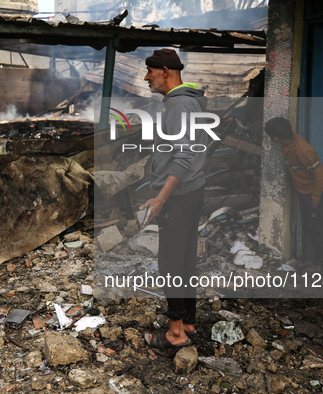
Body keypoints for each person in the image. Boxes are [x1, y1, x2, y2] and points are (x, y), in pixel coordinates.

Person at [140, 49, 208, 349]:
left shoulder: (179, 106)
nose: (146, 77)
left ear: (164, 72)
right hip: (193, 191)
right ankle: (188, 321)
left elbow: (183, 157)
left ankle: (176, 333)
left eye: (149, 72)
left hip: (178, 195)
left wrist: (160, 199)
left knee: (170, 262)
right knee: (185, 257)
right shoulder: (190, 101)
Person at [264, 117, 323, 270]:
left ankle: (321, 263)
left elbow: (319, 174)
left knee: (316, 226)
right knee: (309, 224)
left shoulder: (303, 150)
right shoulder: (288, 140)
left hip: (314, 191)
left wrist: (315, 197)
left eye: (270, 136)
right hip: (304, 189)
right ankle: (321, 258)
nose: (270, 139)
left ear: (276, 138)